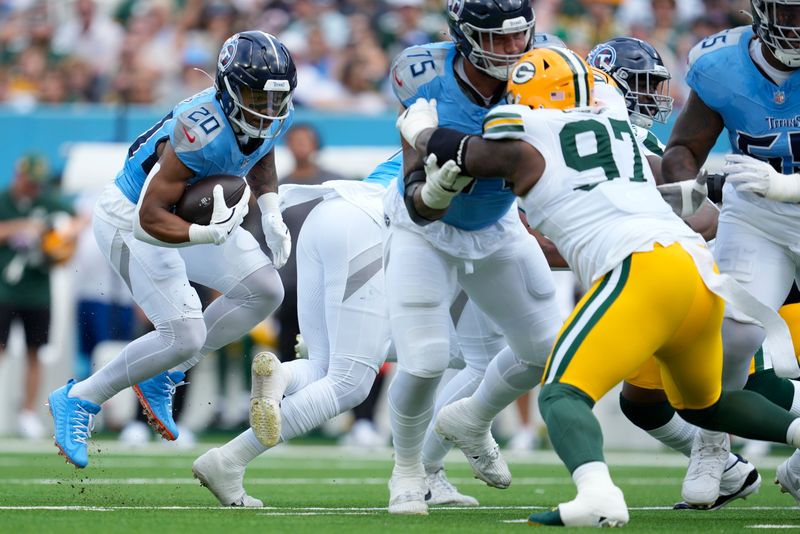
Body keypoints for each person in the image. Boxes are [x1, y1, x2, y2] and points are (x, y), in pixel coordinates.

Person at [396, 45, 800, 527]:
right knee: (708, 404)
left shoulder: (528, 135)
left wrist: (419, 128)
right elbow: (673, 185)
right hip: (698, 274)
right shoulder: (618, 125)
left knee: (562, 393)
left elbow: (457, 151)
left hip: (642, 268)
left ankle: (597, 495)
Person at [47, 31, 295, 468]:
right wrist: (204, 236)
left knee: (264, 289)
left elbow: (261, 150)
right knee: (183, 333)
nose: (268, 110)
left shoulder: (265, 116)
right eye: (258, 96)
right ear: (230, 87)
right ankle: (81, 398)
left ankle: (169, 371)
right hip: (131, 219)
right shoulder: (200, 129)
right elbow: (149, 216)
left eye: (275, 100)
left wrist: (271, 209)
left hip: (181, 213)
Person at [384, 0, 565, 515]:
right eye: (498, 40)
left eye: (519, 37)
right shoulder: (423, 74)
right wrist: (433, 194)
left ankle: (472, 416)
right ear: (463, 37)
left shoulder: (547, 67)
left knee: (546, 348)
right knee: (424, 362)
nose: (512, 51)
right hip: (427, 232)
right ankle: (407, 470)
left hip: (499, 223)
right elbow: (418, 203)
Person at [585, 35, 762, 510]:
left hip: (691, 275)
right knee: (640, 399)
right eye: (641, 84)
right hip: (654, 275)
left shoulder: (636, 140)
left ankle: (718, 453)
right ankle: (723, 464)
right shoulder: (603, 134)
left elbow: (706, 218)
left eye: (653, 84)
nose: (653, 95)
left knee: (742, 377)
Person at [191, 153, 400, 507]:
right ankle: (230, 459)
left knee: (324, 365)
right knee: (352, 382)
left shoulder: (447, 119)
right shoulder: (490, 134)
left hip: (325, 215)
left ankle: (283, 377)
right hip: (369, 225)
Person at [661, 0, 800, 505]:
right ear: (762, 12)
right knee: (734, 334)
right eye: (792, 13)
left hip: (780, 195)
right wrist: (686, 195)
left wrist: (787, 187)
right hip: (756, 216)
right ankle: (712, 447)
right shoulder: (722, 65)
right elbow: (683, 148)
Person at [0, 153, 82, 439]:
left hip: (37, 291)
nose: (33, 188)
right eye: (29, 182)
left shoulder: (48, 203)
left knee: (35, 352)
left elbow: (79, 218)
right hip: (4, 288)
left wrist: (61, 240)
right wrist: (19, 228)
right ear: (18, 176)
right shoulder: (4, 201)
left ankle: (28, 413)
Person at [275, 123, 342, 363]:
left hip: (330, 280)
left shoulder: (335, 183)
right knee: (289, 348)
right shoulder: (278, 187)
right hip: (291, 283)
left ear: (316, 144)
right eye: (295, 140)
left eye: (306, 140)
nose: (301, 145)